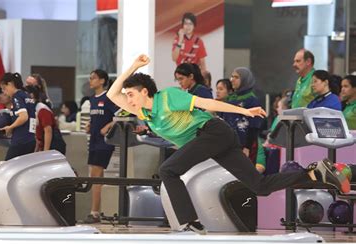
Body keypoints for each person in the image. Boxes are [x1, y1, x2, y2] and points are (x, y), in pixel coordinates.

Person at [106, 54, 348, 233]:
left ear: (145, 92)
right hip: (213, 140)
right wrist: (133, 67)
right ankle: (315, 174)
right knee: (260, 186)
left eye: (131, 94)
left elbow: (209, 104)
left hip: (213, 133)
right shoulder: (143, 111)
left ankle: (189, 222)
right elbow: (111, 94)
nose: (127, 99)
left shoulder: (169, 97)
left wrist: (244, 112)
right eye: (127, 96)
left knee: (168, 169)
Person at [84, 69, 120, 224]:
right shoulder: (91, 99)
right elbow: (96, 118)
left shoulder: (108, 98)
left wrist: (108, 126)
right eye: (90, 78)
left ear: (102, 81)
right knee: (97, 177)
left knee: (95, 177)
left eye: (93, 78)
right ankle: (99, 210)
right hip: (93, 141)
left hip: (103, 143)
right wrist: (90, 125)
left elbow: (120, 116)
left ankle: (94, 212)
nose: (90, 80)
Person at [220, 67, 262, 162]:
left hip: (245, 146)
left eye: (236, 77)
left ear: (245, 80)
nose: (232, 80)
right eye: (231, 76)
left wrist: (247, 147)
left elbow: (254, 127)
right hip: (229, 145)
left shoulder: (252, 100)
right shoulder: (230, 99)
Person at [0, 73, 36, 160]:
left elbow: (24, 117)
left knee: (8, 167)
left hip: (21, 140)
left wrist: (10, 127)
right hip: (30, 139)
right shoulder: (26, 95)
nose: (4, 92)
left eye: (4, 88)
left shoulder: (17, 97)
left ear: (10, 84)